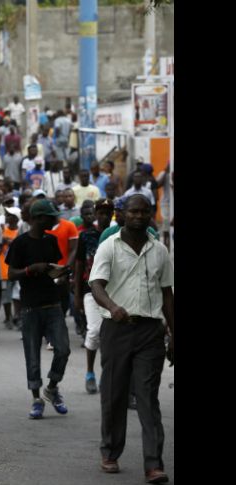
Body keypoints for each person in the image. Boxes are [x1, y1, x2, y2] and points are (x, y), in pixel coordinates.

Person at [89, 194, 174, 484]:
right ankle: (110, 452)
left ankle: (154, 464)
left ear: (150, 215)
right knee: (114, 393)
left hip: (150, 331)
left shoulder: (160, 250)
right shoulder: (108, 247)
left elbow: (167, 294)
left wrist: (173, 332)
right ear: (122, 214)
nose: (139, 216)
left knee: (148, 397)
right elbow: (96, 285)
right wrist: (112, 307)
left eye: (144, 212)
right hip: (117, 329)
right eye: (133, 211)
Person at [5, 199, 71, 419]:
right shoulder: (20, 243)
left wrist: (62, 273)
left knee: (63, 349)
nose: (55, 220)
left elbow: (53, 268)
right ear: (38, 218)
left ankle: (51, 389)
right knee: (32, 356)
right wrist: (30, 269)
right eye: (51, 217)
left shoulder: (51, 241)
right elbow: (11, 273)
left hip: (53, 302)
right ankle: (36, 398)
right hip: (31, 306)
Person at [73, 199, 113, 394]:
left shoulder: (117, 234)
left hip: (113, 290)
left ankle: (109, 374)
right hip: (90, 289)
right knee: (95, 331)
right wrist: (77, 295)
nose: (104, 216)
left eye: (108, 213)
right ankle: (89, 372)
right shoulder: (87, 236)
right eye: (101, 213)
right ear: (95, 214)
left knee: (111, 334)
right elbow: (79, 263)